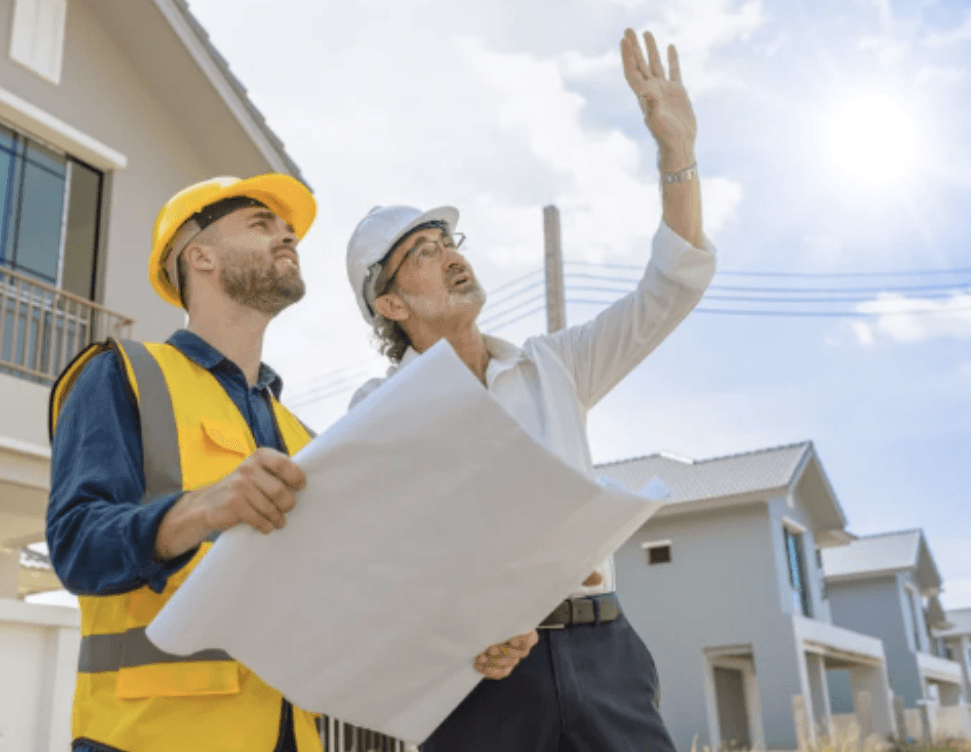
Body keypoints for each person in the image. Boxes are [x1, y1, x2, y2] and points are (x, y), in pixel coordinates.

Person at [343, 28, 716, 752]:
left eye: (450, 242)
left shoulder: (554, 367)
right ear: (390, 305)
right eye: (423, 253)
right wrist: (459, 628)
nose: (450, 256)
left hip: (602, 650)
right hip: (477, 678)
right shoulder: (376, 415)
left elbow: (668, 292)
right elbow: (385, 559)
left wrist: (677, 156)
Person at [47, 175, 324, 752]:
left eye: (290, 231)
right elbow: (77, 545)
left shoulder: (303, 436)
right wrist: (201, 510)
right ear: (199, 255)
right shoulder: (123, 373)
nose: (287, 237)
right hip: (148, 738)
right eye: (261, 224)